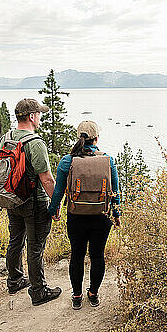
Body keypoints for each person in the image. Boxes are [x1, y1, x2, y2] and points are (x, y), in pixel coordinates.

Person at [48, 120, 121, 310]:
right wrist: (117, 214)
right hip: (101, 216)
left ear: (79, 137)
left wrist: (53, 210)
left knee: (77, 255)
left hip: (76, 215)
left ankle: (77, 295)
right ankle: (93, 294)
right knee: (97, 256)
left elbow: (58, 191)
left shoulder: (67, 161)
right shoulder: (108, 160)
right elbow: (115, 192)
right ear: (97, 138)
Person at [0, 98, 61, 306]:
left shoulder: (6, 139)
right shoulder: (35, 143)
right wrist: (56, 203)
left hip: (12, 199)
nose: (40, 117)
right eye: (39, 114)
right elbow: (47, 179)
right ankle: (38, 290)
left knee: (15, 240)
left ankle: (15, 280)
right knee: (35, 247)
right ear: (32, 116)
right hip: (34, 203)